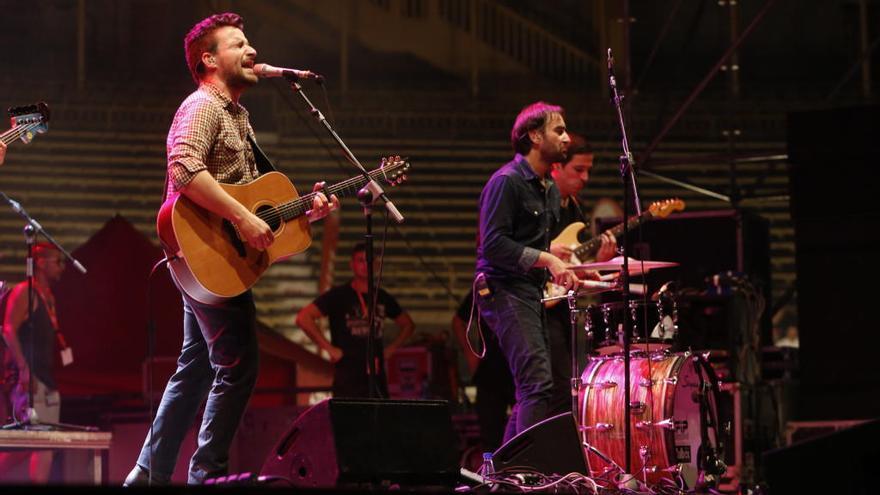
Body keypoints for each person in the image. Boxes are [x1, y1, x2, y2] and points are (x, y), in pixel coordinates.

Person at [124, 12, 338, 485]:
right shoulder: (203, 106)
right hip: (209, 252)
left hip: (211, 260)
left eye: (250, 43)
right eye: (238, 44)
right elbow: (184, 169)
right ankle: (205, 475)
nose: (253, 51)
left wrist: (306, 210)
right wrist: (241, 216)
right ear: (208, 59)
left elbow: (252, 196)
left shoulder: (237, 116)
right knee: (238, 366)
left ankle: (148, 472)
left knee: (195, 368)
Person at [475, 101, 591, 440]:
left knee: (538, 388)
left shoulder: (550, 189)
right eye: (559, 130)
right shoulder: (506, 183)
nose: (567, 138)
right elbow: (493, 245)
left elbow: (542, 247)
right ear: (534, 136)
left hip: (529, 291)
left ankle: (504, 472)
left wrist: (574, 271)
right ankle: (522, 475)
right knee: (537, 384)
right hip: (503, 289)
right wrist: (549, 260)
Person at [546, 133, 616, 415]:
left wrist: (599, 262)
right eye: (578, 169)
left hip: (560, 301)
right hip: (535, 302)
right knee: (544, 390)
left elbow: (573, 261)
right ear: (556, 168)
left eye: (589, 170)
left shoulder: (575, 207)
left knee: (562, 390)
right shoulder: (538, 201)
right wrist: (546, 252)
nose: (585, 177)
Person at [296, 243, 415, 398]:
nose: (365, 265)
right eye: (360, 260)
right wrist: (329, 348)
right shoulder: (339, 295)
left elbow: (408, 325)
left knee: (379, 419)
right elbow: (303, 318)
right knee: (348, 419)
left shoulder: (382, 296)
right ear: (351, 264)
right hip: (347, 376)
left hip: (376, 376)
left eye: (369, 260)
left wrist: (391, 349)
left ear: (376, 264)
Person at [0, 243, 67, 483]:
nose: (62, 267)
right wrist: (23, 368)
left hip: (47, 380)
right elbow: (8, 329)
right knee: (36, 441)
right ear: (40, 263)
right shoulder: (24, 292)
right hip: (30, 381)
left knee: (40, 444)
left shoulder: (47, 296)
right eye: (57, 262)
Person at [451, 289, 515, 452]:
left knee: (525, 430)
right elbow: (458, 322)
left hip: (520, 369)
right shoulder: (483, 288)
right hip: (490, 370)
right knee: (490, 433)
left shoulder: (524, 285)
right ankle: (493, 473)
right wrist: (471, 355)